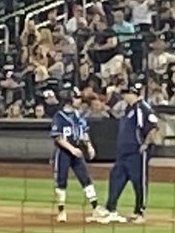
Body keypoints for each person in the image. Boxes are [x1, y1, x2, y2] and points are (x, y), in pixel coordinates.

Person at [49, 89, 110, 224]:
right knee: (61, 181)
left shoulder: (78, 115)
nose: (79, 100)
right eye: (76, 98)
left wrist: (89, 146)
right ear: (69, 100)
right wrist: (71, 149)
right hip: (63, 152)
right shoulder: (59, 117)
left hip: (76, 150)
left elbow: (83, 133)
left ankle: (95, 207)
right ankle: (61, 211)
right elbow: (58, 138)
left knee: (85, 179)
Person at [103, 79, 159, 224]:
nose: (123, 96)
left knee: (139, 182)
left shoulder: (143, 108)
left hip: (136, 152)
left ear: (132, 93)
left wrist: (145, 144)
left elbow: (152, 127)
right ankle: (110, 208)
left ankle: (139, 211)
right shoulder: (130, 109)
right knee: (116, 177)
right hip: (124, 153)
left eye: (126, 93)